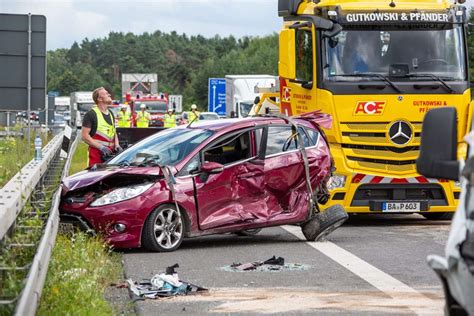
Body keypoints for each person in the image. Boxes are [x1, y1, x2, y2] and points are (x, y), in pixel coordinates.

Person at [81, 87, 121, 167]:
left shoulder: (110, 113)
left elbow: (114, 132)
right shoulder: (91, 114)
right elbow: (84, 136)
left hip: (110, 155)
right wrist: (101, 147)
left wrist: (117, 145)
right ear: (99, 99)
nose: (109, 94)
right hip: (96, 155)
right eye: (106, 93)